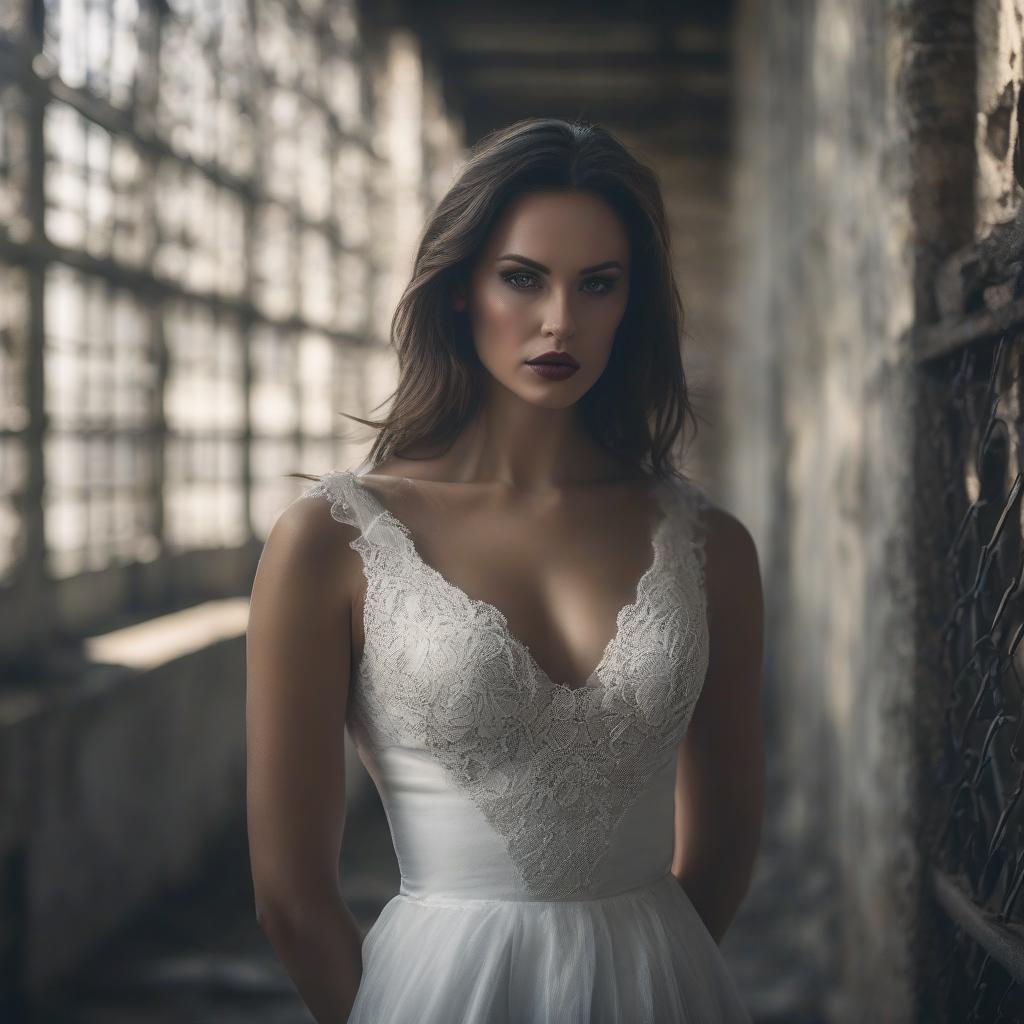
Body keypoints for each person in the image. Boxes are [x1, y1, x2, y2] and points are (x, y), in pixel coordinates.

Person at [246, 116, 765, 1023]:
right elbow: (291, 898)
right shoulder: (331, 539)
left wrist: (642, 980)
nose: (560, 320)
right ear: (459, 292)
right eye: (523, 278)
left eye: (598, 285)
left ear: (629, 307)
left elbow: (723, 847)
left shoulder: (712, 544)